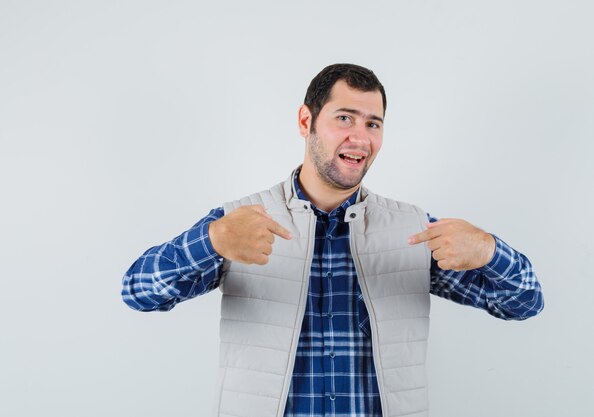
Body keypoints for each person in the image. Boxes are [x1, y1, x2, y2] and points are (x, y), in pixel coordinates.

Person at [121, 63, 544, 417]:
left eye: (372, 123)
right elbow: (138, 291)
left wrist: (489, 250)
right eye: (344, 117)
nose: (360, 137)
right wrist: (210, 240)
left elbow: (525, 303)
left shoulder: (411, 230)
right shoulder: (240, 222)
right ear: (306, 121)